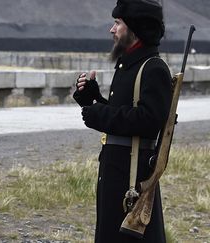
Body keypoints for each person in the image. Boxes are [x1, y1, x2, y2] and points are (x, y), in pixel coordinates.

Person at [73, 0, 171, 242]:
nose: (112, 29)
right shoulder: (129, 66)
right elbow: (126, 115)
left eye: (118, 23)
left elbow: (149, 121)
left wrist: (100, 114)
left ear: (135, 29)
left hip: (132, 179)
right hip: (116, 172)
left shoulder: (153, 68)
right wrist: (92, 99)